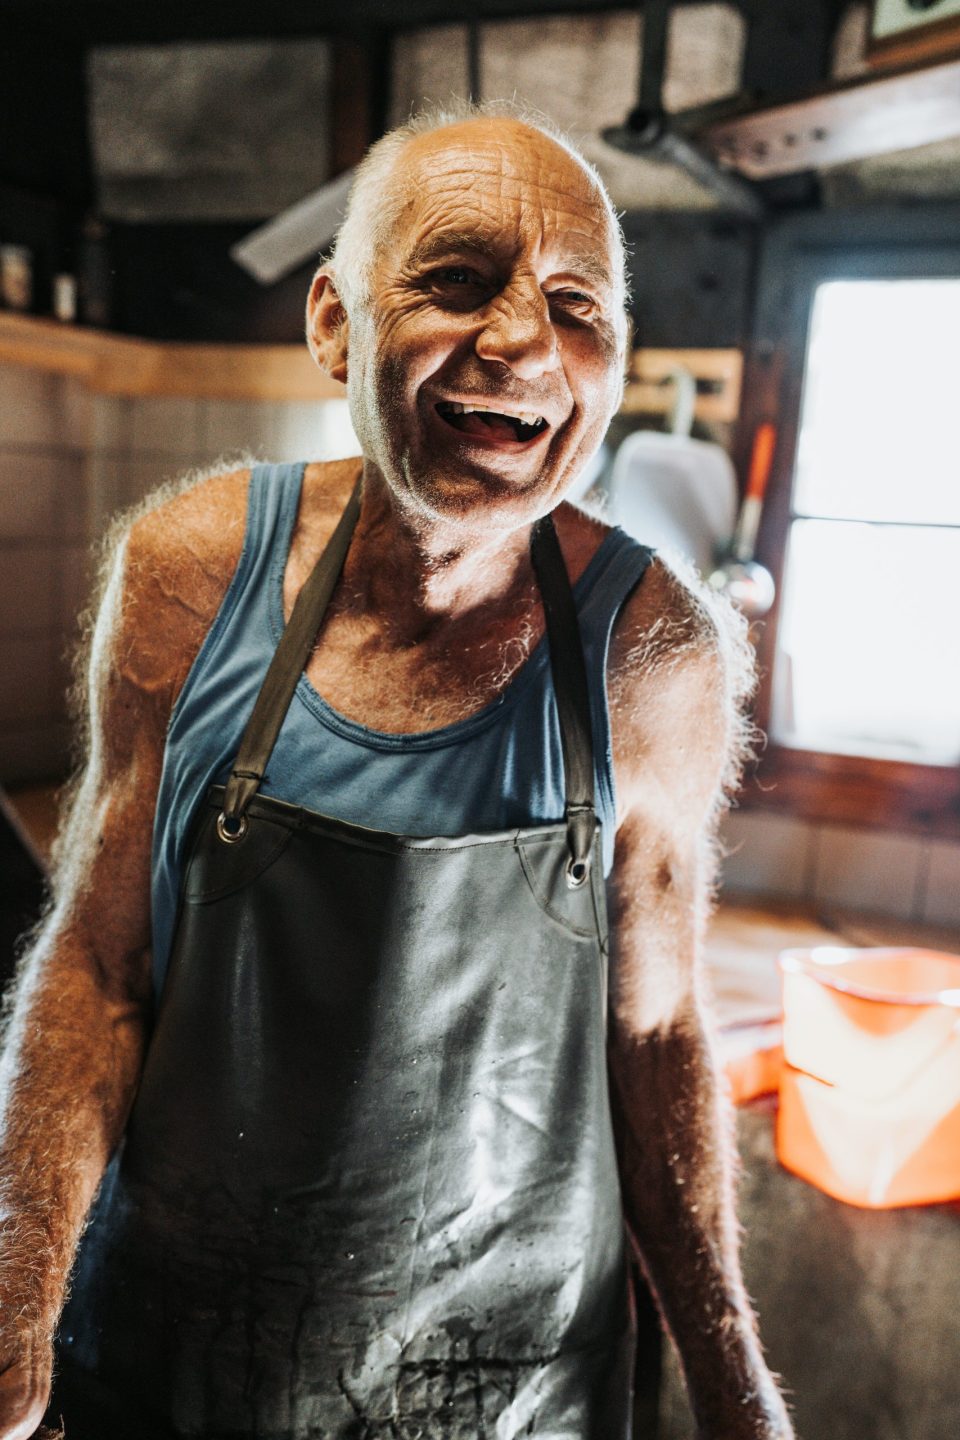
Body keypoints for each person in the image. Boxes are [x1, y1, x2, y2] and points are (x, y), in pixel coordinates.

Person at [0, 104, 793, 1439]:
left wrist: (733, 1381)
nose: (520, 344)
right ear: (333, 322)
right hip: (187, 1353)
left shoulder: (655, 652)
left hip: (515, 1379)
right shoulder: (191, 574)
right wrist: (19, 1284)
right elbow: (97, 962)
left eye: (575, 306)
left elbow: (654, 1034)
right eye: (457, 281)